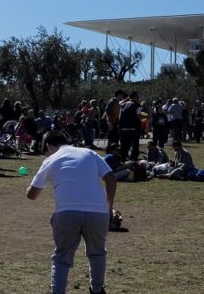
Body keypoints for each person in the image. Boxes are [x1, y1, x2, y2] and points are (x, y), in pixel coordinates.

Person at [26, 130, 116, 294]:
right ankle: (97, 289)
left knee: (61, 258)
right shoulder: (89, 153)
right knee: (97, 253)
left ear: (49, 145)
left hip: (67, 213)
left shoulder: (50, 160)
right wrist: (108, 208)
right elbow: (110, 177)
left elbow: (32, 195)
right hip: (98, 213)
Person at [118, 91, 142, 162]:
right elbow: (139, 117)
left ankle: (123, 160)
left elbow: (120, 116)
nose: (138, 98)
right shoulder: (137, 105)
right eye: (137, 97)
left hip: (123, 128)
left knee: (123, 146)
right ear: (134, 97)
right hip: (133, 129)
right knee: (135, 146)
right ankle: (134, 161)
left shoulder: (123, 105)